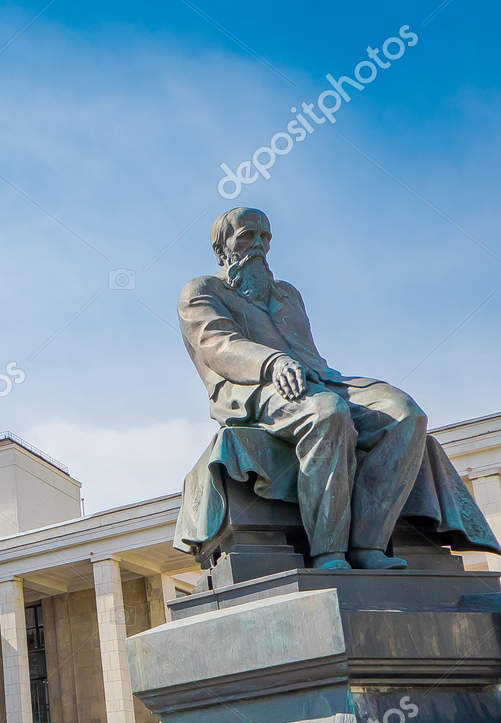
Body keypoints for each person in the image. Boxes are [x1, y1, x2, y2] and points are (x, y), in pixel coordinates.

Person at [177, 207, 431, 570]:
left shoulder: (287, 294)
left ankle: (368, 546)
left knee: (405, 414)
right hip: (252, 387)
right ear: (222, 248)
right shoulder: (201, 290)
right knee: (326, 412)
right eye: (248, 236)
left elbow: (308, 353)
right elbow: (217, 345)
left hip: (319, 378)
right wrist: (273, 363)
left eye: (265, 237)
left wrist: (319, 376)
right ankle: (329, 553)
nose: (259, 245)